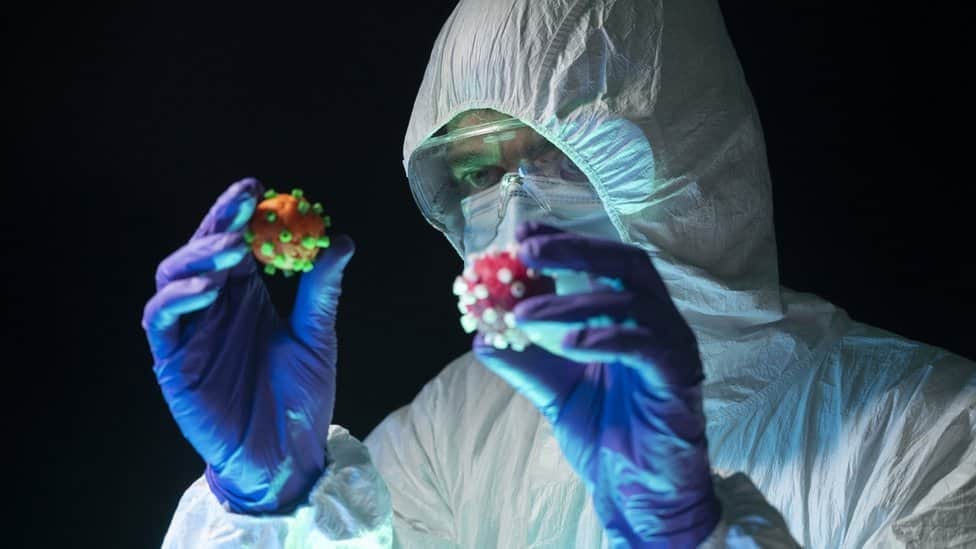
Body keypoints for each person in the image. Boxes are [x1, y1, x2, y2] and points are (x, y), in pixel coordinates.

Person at [143, 0, 976, 546]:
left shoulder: (938, 440)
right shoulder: (465, 423)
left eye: (558, 153)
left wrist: (689, 530)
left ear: (690, 151)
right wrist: (272, 501)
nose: (517, 210)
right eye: (476, 173)